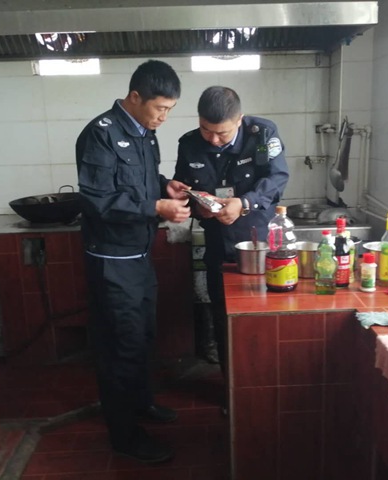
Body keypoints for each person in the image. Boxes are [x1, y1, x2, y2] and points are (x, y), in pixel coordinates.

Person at [75, 59, 191, 464]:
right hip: (111, 260)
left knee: (142, 336)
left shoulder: (145, 133)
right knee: (120, 346)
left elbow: (139, 182)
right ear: (135, 96)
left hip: (139, 255)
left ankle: (141, 404)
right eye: (160, 108)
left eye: (170, 110)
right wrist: (156, 207)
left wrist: (164, 186)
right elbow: (98, 199)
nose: (164, 117)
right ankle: (124, 436)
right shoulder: (101, 134)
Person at [173, 86, 289, 377]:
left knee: (260, 315)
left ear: (239, 120)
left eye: (221, 133)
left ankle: (261, 380)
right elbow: (183, 187)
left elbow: (277, 177)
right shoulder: (189, 144)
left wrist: (244, 202)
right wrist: (196, 205)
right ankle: (229, 383)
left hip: (258, 245)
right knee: (222, 313)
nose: (213, 139)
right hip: (217, 244)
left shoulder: (261, 134)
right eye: (206, 130)